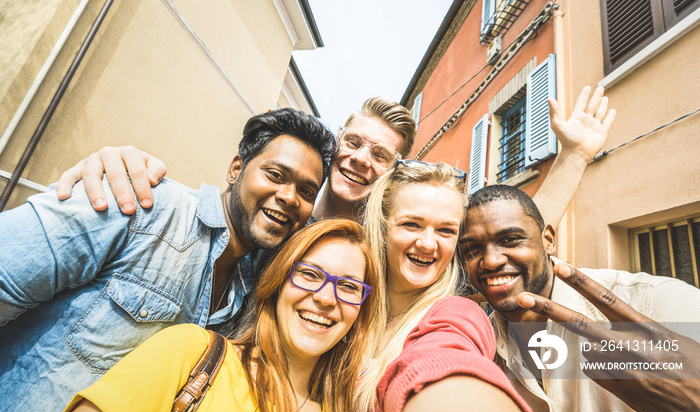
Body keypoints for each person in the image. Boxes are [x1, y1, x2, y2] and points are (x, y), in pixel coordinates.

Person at [0, 108, 335, 412]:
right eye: (275, 175)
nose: (290, 197)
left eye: (307, 191)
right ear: (236, 169)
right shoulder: (140, 206)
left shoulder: (260, 289)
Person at [55, 86, 614, 227]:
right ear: (337, 142)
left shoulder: (393, 230)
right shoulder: (277, 205)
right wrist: (119, 158)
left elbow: (507, 231)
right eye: (354, 144)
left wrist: (573, 158)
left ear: (394, 170)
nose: (360, 160)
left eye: (380, 155)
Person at [56, 219, 379, 412]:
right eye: (310, 274)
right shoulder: (188, 354)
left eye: (350, 287)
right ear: (278, 282)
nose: (325, 298)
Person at [460, 184, 700, 412]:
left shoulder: (652, 299)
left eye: (510, 240)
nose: (491, 260)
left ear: (548, 240)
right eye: (472, 249)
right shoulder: (479, 347)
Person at [354, 161, 539, 412]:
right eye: (412, 224)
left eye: (446, 230)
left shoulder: (458, 314)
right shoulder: (345, 299)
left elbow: (444, 365)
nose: (428, 244)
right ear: (382, 227)